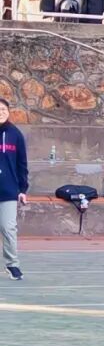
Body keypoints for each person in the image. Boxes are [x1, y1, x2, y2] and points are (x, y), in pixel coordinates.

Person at [0, 97, 29, 281]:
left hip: (8, 190)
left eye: (3, 109)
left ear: (8, 112)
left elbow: (22, 164)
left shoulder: (15, 134)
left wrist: (22, 189)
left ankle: (12, 265)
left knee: (8, 227)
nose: (1, 112)